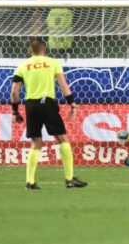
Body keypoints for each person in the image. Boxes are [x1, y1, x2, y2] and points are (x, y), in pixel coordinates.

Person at [10, 38, 87, 190]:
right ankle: (69, 179)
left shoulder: (22, 66)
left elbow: (14, 92)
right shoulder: (53, 63)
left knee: (36, 142)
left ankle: (30, 182)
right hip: (47, 103)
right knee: (62, 138)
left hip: (30, 105)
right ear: (44, 50)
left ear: (30, 51)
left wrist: (15, 111)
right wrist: (71, 102)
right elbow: (63, 85)